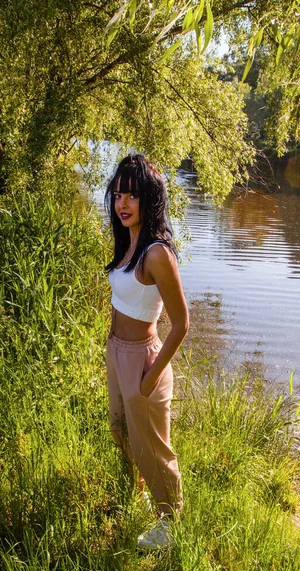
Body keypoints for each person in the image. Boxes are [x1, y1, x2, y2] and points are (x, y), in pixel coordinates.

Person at [104, 154, 189, 550]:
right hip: (116, 351)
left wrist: (151, 374)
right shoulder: (128, 241)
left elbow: (182, 323)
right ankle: (137, 494)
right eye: (118, 194)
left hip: (143, 358)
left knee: (153, 446)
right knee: (121, 431)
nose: (123, 203)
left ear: (149, 199)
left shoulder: (157, 252)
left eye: (132, 196)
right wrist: (113, 350)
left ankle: (170, 526)